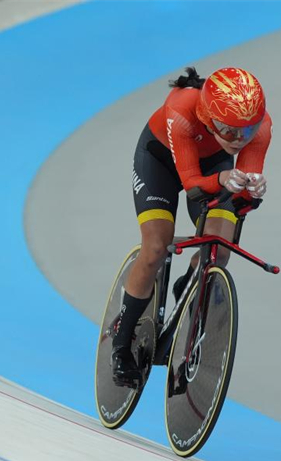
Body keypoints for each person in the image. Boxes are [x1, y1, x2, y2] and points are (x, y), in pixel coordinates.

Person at [112, 66, 272, 384]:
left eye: (247, 131)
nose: (240, 140)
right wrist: (223, 179)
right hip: (160, 162)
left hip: (213, 168)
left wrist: (252, 193)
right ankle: (121, 341)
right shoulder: (182, 109)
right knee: (156, 247)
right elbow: (192, 183)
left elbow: (241, 198)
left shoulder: (261, 128)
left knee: (220, 251)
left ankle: (188, 283)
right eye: (229, 131)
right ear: (209, 119)